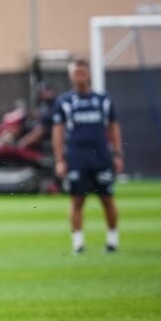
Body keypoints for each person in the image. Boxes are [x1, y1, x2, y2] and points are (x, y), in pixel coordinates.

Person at [51, 59, 123, 254]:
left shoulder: (103, 100)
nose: (79, 75)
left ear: (89, 74)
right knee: (77, 200)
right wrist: (59, 160)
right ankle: (78, 243)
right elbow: (58, 132)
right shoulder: (64, 102)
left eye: (83, 72)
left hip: (101, 156)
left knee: (107, 199)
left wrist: (117, 154)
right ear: (70, 76)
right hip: (76, 157)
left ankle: (112, 241)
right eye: (76, 72)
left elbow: (113, 128)